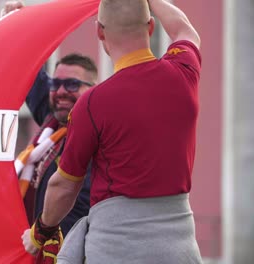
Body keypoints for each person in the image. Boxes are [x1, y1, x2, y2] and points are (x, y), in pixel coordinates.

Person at [22, 0, 203, 263]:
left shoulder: (92, 104)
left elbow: (64, 186)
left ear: (100, 32)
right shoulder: (184, 73)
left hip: (116, 250)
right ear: (151, 26)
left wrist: (40, 232)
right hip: (180, 250)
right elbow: (185, 30)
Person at [2, 2, 98, 237]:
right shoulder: (51, 120)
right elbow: (27, 68)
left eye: (73, 84)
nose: (62, 91)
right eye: (56, 84)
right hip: (31, 248)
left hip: (77, 251)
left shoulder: (102, 134)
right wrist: (16, 26)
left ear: (93, 91)